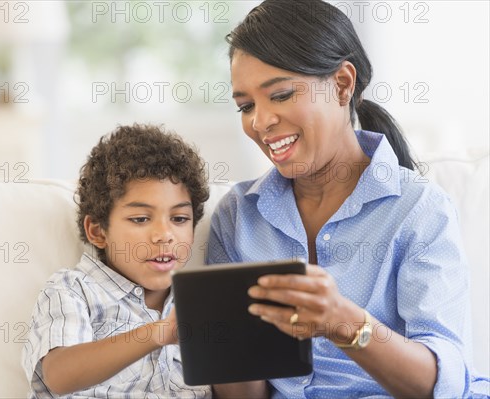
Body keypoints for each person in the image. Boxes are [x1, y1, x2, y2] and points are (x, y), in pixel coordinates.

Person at [207, 1, 489, 398]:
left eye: (282, 95)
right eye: (246, 105)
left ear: (342, 84)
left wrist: (345, 323)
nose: (260, 122)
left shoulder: (419, 209)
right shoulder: (238, 217)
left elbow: (443, 385)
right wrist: (229, 340)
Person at [22, 124, 211, 398]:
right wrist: (159, 333)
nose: (165, 235)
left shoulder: (202, 305)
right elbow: (60, 375)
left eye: (179, 219)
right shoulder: (74, 290)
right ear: (98, 232)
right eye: (141, 219)